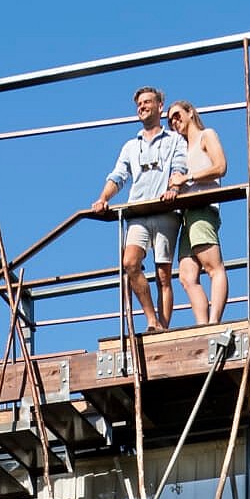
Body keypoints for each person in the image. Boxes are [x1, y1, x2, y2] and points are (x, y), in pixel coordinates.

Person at [93, 84, 186, 331]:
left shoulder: (175, 140)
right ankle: (151, 319)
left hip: (165, 210)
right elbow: (118, 176)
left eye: (147, 102)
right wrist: (103, 198)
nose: (142, 107)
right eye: (139, 104)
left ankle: (163, 326)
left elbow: (179, 168)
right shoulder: (131, 146)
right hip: (138, 212)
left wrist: (173, 189)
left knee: (164, 274)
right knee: (130, 263)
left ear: (159, 106)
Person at [168, 100, 229, 325]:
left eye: (176, 115)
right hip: (186, 212)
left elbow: (220, 166)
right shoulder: (181, 150)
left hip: (203, 208)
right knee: (186, 276)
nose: (174, 122)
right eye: (170, 120)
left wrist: (188, 177)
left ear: (190, 112)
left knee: (213, 267)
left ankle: (214, 322)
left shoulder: (206, 135)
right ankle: (202, 325)